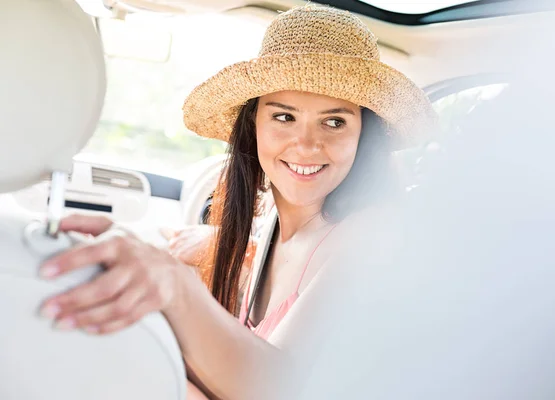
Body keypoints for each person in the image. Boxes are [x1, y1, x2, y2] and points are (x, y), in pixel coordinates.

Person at [37, 5, 435, 399]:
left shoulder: (374, 235)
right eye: (284, 117)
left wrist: (174, 286)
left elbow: (280, 386)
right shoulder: (267, 232)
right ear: (254, 124)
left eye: (335, 122)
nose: (308, 145)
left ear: (363, 136)